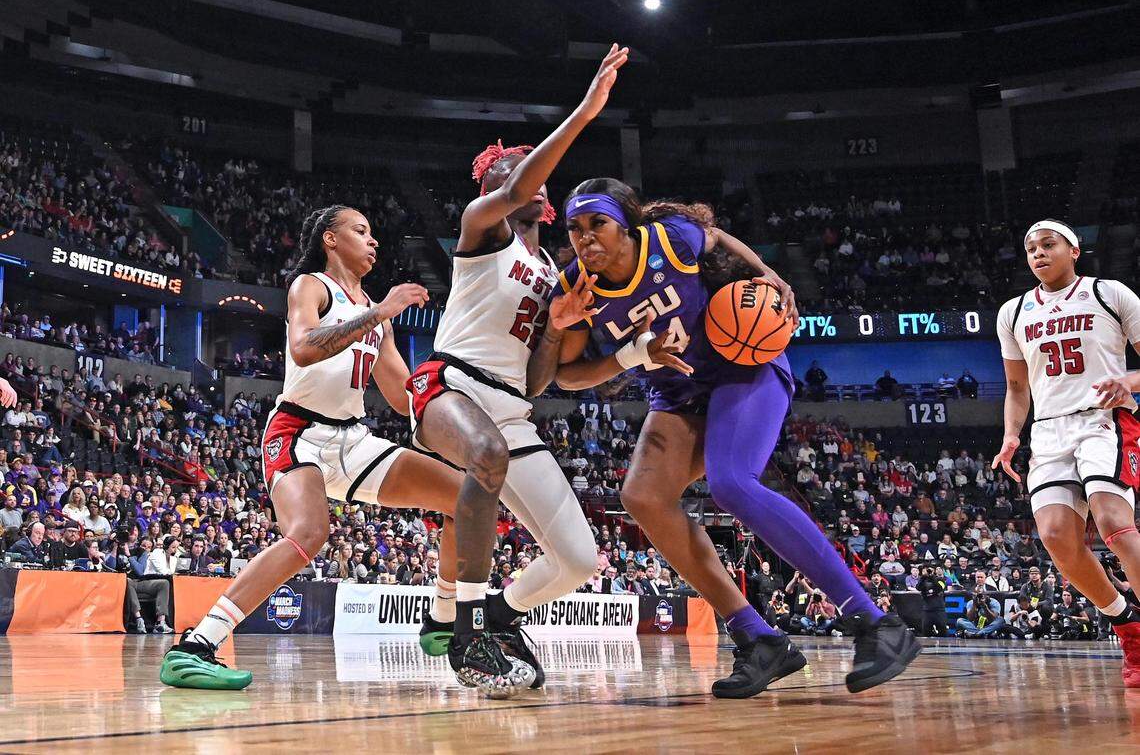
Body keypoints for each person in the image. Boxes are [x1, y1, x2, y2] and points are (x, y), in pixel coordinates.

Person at [551, 177, 920, 698]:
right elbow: (567, 375)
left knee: (731, 484)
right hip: (677, 395)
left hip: (743, 368)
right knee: (642, 496)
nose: (585, 237)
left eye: (597, 224)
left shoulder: (669, 239)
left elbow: (717, 238)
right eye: (575, 228)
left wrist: (766, 274)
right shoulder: (577, 287)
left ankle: (875, 622)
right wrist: (633, 356)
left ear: (627, 225)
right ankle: (757, 637)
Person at [160, 205, 471, 692]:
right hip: (297, 431)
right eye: (360, 231)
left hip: (353, 438)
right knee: (308, 534)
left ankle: (443, 616)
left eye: (373, 234)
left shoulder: (376, 316)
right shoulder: (312, 286)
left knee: (464, 497)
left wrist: (458, 399)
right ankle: (196, 646)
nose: (373, 241)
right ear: (330, 238)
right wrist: (380, 311)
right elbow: (304, 347)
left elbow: (400, 397)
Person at [405, 45, 627, 694]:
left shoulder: (553, 271)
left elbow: (537, 383)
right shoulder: (480, 228)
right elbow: (516, 186)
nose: (529, 175)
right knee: (488, 453)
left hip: (510, 403)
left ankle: (500, 617)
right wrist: (586, 112)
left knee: (580, 561)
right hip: (447, 385)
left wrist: (558, 327)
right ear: (494, 186)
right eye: (514, 167)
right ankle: (465, 632)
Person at [992, 218, 1140, 686]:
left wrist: (1129, 380)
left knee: (1113, 520)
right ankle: (1128, 626)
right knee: (1056, 537)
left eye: (1048, 243)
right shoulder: (1012, 312)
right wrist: (1011, 435)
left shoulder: (1109, 294)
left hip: (1103, 419)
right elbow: (1017, 387)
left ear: (1075, 250)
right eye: (1030, 247)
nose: (1038, 252)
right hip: (1049, 431)